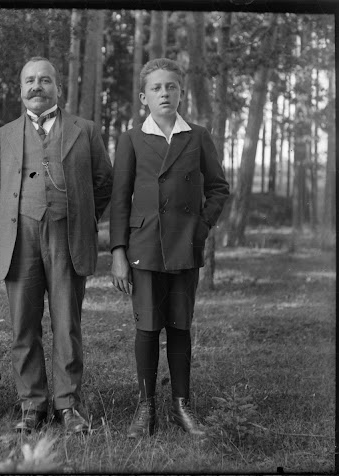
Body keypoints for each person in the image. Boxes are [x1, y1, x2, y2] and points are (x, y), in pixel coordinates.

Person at [0, 57, 113, 434]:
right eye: (29, 81)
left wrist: (79, 217)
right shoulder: (2, 135)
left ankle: (68, 404)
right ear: (21, 88)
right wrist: (18, 214)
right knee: (23, 324)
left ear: (58, 87)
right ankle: (32, 404)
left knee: (66, 323)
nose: (36, 86)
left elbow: (103, 182)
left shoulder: (85, 130)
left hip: (67, 235)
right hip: (19, 237)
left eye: (44, 80)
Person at [110, 58, 230, 439]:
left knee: (180, 325)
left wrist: (202, 225)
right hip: (144, 245)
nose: (165, 93)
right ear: (144, 96)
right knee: (147, 327)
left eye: (172, 87)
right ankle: (145, 407)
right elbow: (119, 199)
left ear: (181, 92)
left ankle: (181, 404)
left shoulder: (197, 135)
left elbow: (218, 188)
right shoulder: (131, 138)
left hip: (184, 245)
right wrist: (117, 252)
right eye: (157, 88)